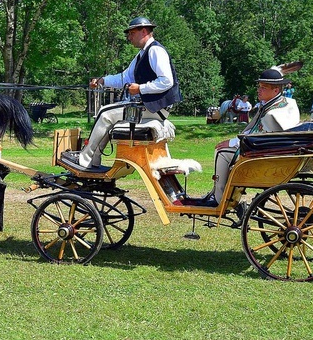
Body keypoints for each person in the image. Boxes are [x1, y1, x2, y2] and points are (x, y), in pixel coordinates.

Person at [60, 17, 181, 170]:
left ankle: (85, 159)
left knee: (105, 113)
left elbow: (166, 81)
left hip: (155, 108)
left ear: (144, 31)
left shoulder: (155, 50)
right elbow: (124, 78)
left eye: (131, 33)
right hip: (151, 107)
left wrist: (140, 88)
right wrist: (102, 80)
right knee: (108, 113)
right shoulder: (142, 55)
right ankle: (93, 159)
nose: (129, 37)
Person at [176, 65, 300, 206]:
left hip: (264, 153)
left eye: (263, 87)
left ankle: (217, 198)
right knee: (225, 147)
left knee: (221, 151)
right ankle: (220, 193)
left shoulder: (272, 113)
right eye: (259, 86)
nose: (258, 90)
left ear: (276, 90)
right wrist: (234, 140)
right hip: (271, 149)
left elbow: (257, 136)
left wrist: (232, 143)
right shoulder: (282, 103)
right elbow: (252, 130)